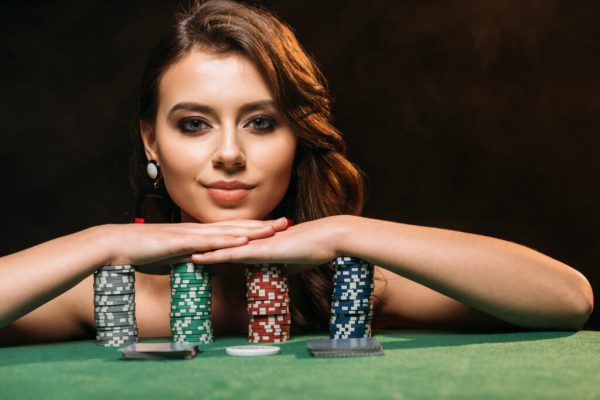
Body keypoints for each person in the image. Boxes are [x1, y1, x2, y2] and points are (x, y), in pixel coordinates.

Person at [0, 0, 593, 345]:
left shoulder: (345, 286)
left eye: (260, 123)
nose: (229, 153)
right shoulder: (113, 292)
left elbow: (568, 300)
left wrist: (345, 234)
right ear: (151, 139)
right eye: (194, 124)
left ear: (297, 137)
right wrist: (105, 241)